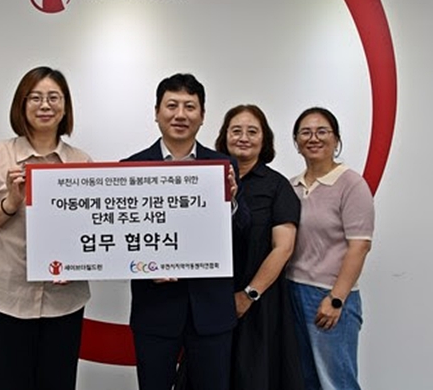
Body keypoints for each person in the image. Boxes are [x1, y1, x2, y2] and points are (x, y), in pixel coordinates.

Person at [0, 66, 90, 390]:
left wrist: (79, 262)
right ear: (22, 104)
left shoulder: (82, 162)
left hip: (64, 302)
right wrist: (9, 204)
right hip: (5, 299)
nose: (45, 105)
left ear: (65, 107)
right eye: (35, 98)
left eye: (54, 98)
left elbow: (91, 230)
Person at [122, 73, 249, 390]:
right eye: (172, 105)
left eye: (190, 107)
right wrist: (145, 265)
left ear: (202, 115)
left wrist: (232, 202)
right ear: (156, 112)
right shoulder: (131, 168)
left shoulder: (223, 165)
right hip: (155, 311)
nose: (180, 114)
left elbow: (243, 232)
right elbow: (122, 242)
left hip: (211, 310)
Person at [213, 104, 304, 390]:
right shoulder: (206, 179)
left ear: (264, 139)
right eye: (236, 130)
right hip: (211, 300)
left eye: (252, 131)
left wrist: (248, 295)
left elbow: (283, 248)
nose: (243, 137)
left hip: (260, 301)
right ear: (224, 136)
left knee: (255, 377)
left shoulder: (277, 186)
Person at [286, 107, 374, 390]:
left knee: (336, 382)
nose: (314, 138)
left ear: (336, 139)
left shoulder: (351, 184)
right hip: (292, 291)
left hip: (329, 295)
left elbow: (360, 246)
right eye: (306, 132)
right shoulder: (292, 186)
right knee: (305, 380)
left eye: (322, 131)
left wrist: (336, 299)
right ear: (296, 142)